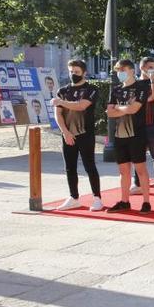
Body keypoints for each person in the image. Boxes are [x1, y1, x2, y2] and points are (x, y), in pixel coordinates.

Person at [52, 59, 102, 211]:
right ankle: (74, 197)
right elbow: (58, 114)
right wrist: (65, 132)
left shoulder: (91, 89)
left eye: (77, 72)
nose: (73, 74)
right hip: (68, 135)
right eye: (71, 72)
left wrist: (60, 102)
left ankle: (97, 198)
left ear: (84, 73)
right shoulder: (63, 90)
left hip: (85, 134)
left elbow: (81, 106)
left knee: (89, 166)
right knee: (70, 167)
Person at [106, 59, 152, 214]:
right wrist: (123, 108)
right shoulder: (116, 89)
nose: (120, 73)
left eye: (122, 69)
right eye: (118, 70)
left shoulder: (142, 87)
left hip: (137, 134)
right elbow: (110, 112)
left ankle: (146, 202)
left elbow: (134, 109)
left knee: (140, 169)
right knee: (123, 170)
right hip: (120, 135)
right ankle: (124, 201)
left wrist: (119, 107)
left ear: (132, 70)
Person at [129, 58, 154, 197]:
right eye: (150, 67)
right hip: (138, 126)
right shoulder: (134, 84)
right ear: (142, 67)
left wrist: (153, 82)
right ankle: (137, 183)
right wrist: (146, 98)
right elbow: (133, 101)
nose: (153, 70)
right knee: (138, 156)